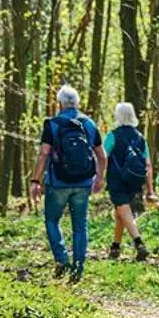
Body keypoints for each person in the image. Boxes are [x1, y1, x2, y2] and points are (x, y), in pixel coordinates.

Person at [29, 85, 105, 282]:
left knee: (52, 220)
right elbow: (101, 155)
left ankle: (62, 259)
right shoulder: (89, 123)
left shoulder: (52, 124)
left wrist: (35, 180)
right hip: (83, 183)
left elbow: (44, 153)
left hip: (58, 183)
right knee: (80, 225)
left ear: (59, 103)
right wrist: (99, 177)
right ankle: (78, 268)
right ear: (77, 103)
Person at [104, 102, 151, 262]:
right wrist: (150, 190)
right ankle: (115, 247)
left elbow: (102, 157)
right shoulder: (140, 138)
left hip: (117, 181)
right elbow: (147, 164)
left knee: (123, 211)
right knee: (120, 213)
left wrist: (97, 178)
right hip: (134, 181)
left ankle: (139, 243)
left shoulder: (113, 135)